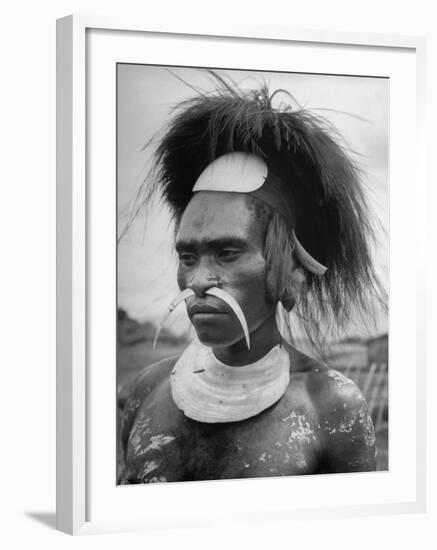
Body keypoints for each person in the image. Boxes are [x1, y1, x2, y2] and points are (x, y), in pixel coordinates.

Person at [118, 74, 382, 484]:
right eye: (188, 256)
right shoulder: (144, 392)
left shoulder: (331, 408)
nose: (200, 280)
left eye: (227, 253)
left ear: (286, 268)